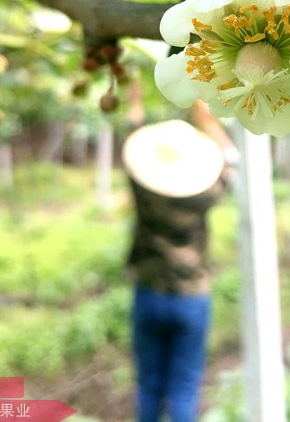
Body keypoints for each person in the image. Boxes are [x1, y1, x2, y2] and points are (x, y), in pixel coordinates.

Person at [122, 119, 227, 422]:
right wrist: (207, 120)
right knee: (184, 386)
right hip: (191, 297)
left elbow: (131, 155)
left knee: (149, 384)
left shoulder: (144, 190)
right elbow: (230, 165)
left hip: (149, 292)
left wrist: (135, 107)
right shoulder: (204, 195)